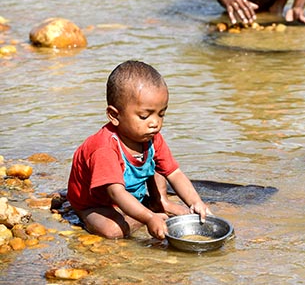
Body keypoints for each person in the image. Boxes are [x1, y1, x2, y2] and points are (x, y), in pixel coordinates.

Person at [67, 60, 210, 239]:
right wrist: (149, 218)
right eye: (144, 116)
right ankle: (148, 212)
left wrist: (196, 202)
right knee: (112, 232)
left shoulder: (151, 136)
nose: (155, 123)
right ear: (114, 115)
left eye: (161, 114)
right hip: (97, 203)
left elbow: (174, 173)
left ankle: (160, 202)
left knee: (159, 163)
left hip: (129, 193)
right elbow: (115, 193)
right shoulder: (105, 148)